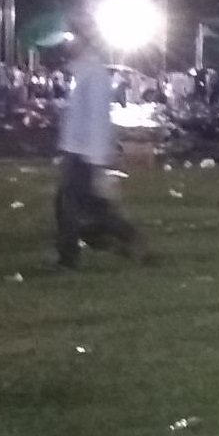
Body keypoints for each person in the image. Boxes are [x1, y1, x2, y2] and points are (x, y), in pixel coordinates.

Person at [54, 15, 146, 269]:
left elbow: (97, 118)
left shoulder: (94, 74)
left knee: (70, 206)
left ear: (84, 40)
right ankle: (127, 238)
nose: (68, 43)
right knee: (85, 207)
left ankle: (70, 257)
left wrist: (97, 160)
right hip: (77, 150)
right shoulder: (82, 71)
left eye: (72, 38)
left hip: (85, 154)